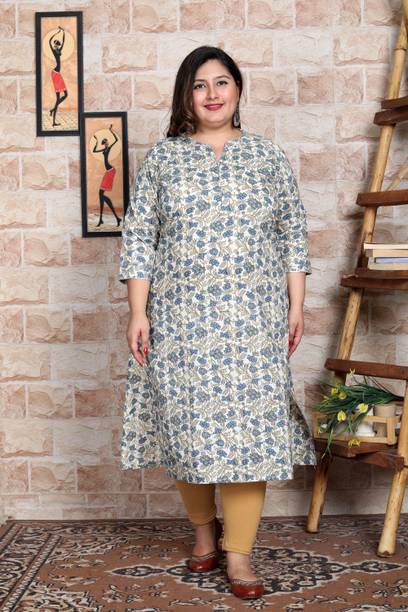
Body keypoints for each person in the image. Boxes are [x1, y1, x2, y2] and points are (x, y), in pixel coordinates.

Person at [119, 45, 317, 600]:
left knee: (251, 432)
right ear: (186, 95)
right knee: (189, 429)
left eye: (222, 82)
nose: (212, 94)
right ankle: (204, 532)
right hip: (180, 321)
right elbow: (140, 239)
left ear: (238, 89)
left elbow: (293, 234)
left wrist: (296, 305)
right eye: (200, 84)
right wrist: (138, 312)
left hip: (255, 320)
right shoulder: (163, 160)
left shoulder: (267, 156)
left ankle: (240, 554)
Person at [92, 124, 122, 227]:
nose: (106, 144)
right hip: (108, 171)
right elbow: (94, 150)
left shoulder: (108, 148)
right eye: (104, 143)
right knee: (101, 195)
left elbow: (116, 140)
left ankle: (105, 219)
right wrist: (96, 142)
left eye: (105, 142)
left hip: (110, 171)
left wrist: (111, 131)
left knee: (101, 194)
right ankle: (112, 219)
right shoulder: (104, 150)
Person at [49, 27, 68, 127]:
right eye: (56, 44)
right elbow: (49, 41)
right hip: (55, 73)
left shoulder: (58, 50)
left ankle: (53, 109)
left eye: (58, 45)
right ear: (54, 45)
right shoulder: (53, 50)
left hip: (57, 73)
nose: (57, 46)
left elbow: (64, 41)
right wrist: (56, 33)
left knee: (65, 94)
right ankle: (53, 121)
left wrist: (63, 32)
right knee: (58, 97)